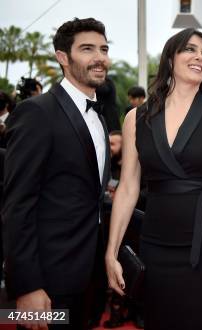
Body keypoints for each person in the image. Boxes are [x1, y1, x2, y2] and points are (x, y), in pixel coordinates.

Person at [105, 28, 202, 330]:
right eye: (190, 50)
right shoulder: (136, 118)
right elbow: (128, 187)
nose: (199, 57)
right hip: (155, 244)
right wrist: (111, 251)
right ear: (171, 58)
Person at [2, 17, 111, 330]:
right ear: (63, 57)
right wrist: (27, 286)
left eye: (103, 49)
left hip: (88, 278)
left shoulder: (99, 119)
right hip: (47, 283)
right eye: (87, 49)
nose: (99, 57)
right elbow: (17, 205)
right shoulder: (37, 112)